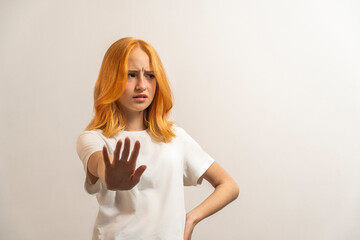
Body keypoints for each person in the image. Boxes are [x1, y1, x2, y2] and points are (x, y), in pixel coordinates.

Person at [76, 37, 239, 240]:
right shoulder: (94, 139)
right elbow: (99, 164)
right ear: (110, 79)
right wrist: (109, 177)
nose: (142, 85)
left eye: (150, 76)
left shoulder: (175, 138)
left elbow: (228, 185)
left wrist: (191, 219)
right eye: (131, 75)